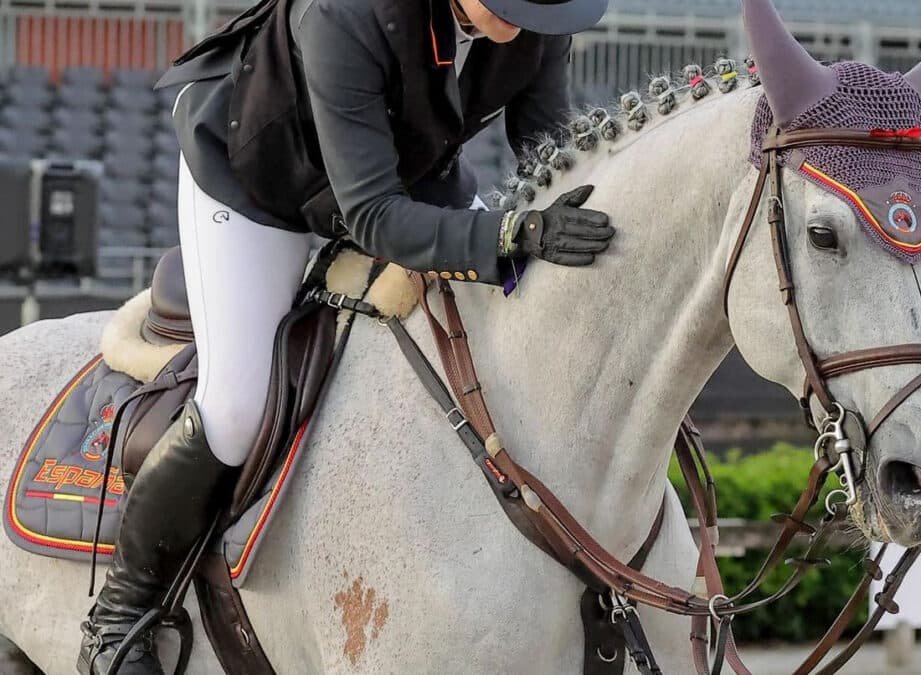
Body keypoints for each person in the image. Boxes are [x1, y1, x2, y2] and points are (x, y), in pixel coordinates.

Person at [77, 0, 614, 672]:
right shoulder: (347, 11)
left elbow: (551, 152)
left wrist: (569, 221)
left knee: (517, 298)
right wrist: (512, 234)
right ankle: (117, 619)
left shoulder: (540, 20)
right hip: (260, 173)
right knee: (237, 409)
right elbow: (372, 216)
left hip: (403, 171)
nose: (529, 14)